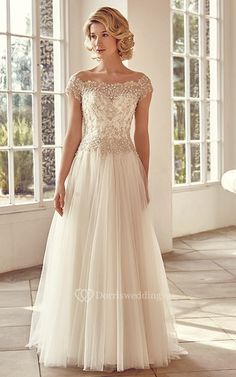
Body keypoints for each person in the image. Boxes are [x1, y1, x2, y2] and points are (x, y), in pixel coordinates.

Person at [26, 6, 188, 372]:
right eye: (92, 35)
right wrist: (62, 180)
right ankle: (81, 335)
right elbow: (73, 134)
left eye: (103, 35)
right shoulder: (80, 80)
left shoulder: (141, 82)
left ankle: (126, 338)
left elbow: (141, 134)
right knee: (84, 247)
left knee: (122, 249)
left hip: (124, 169)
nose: (96, 42)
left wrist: (142, 179)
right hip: (88, 168)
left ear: (119, 37)